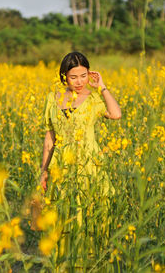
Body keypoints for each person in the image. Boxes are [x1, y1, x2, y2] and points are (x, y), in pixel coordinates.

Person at [40, 51, 121, 268]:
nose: (79, 82)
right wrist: (43, 172)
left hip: (90, 166)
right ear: (63, 76)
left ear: (89, 74)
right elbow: (50, 139)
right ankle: (65, 265)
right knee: (63, 218)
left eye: (83, 75)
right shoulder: (52, 98)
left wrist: (102, 86)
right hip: (62, 167)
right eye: (73, 76)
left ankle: (93, 264)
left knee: (93, 215)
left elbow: (116, 114)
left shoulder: (94, 98)